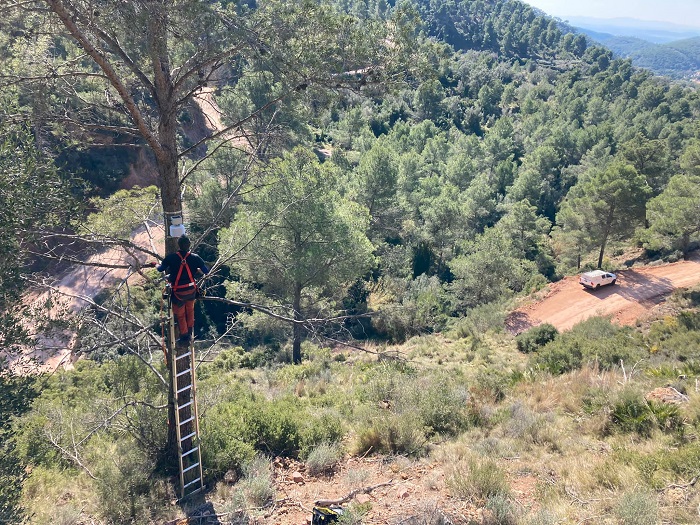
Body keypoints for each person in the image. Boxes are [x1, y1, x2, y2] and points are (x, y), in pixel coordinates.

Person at [153, 235, 209, 346]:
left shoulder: (171, 257)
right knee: (190, 311)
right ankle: (190, 331)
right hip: (191, 291)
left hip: (178, 292)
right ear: (189, 245)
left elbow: (160, 269)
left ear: (179, 245)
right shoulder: (195, 257)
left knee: (181, 315)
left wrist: (155, 264)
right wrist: (196, 271)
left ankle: (184, 337)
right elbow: (206, 271)